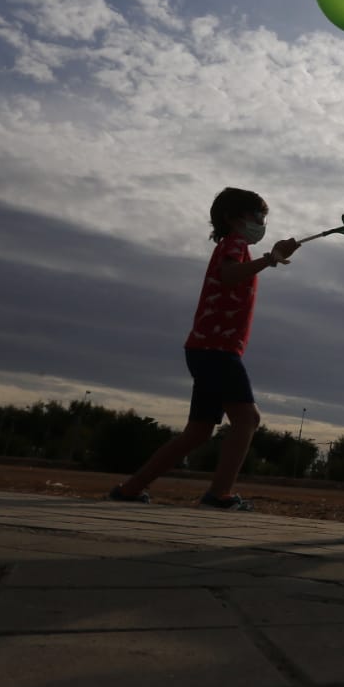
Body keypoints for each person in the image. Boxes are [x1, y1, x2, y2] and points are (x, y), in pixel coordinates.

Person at [109, 188, 298, 511]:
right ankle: (219, 494)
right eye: (256, 216)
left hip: (206, 348)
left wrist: (269, 258)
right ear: (231, 218)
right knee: (247, 419)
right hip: (216, 349)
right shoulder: (235, 245)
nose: (261, 223)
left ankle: (130, 489)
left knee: (198, 431)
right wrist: (270, 259)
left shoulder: (235, 247)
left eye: (263, 217)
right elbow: (227, 276)